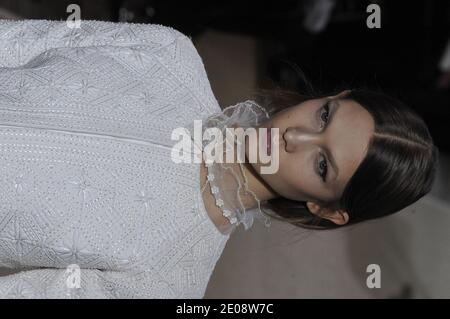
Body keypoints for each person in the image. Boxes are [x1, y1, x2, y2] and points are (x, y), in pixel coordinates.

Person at [0, 19, 438, 299]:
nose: (296, 135)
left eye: (322, 165)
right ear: (332, 96)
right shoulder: (168, 56)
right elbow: (14, 40)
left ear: (326, 208)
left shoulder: (167, 279)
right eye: (324, 115)